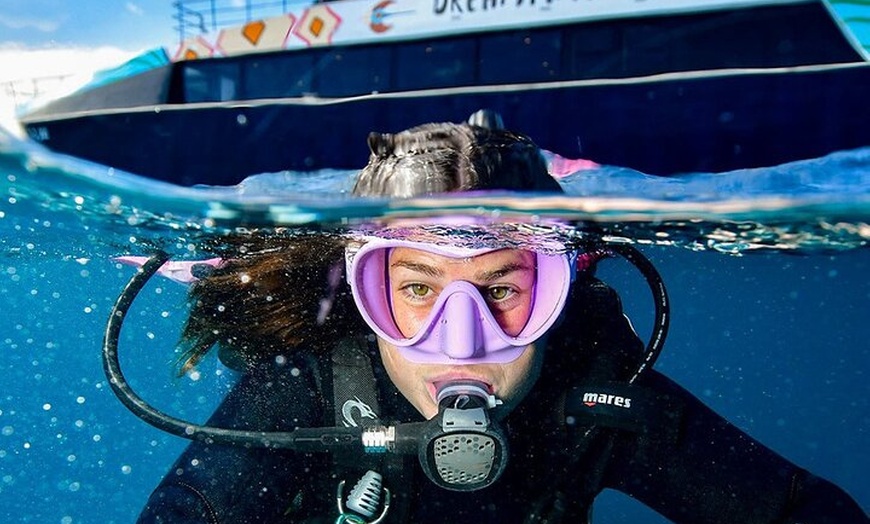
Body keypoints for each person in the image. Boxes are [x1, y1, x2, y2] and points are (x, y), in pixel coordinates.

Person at [134, 113, 867, 523]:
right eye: (417, 291)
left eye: (502, 288)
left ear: (558, 290)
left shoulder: (594, 399)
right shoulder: (307, 390)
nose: (463, 341)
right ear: (367, 295)